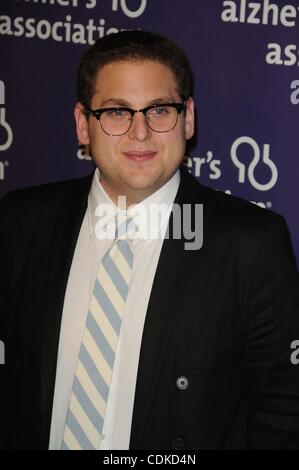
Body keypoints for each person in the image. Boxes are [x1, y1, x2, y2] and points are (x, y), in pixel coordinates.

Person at [0, 30, 299, 451]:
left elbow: (283, 410)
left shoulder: (252, 245)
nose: (140, 132)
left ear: (188, 118)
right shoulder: (20, 222)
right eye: (117, 113)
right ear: (83, 125)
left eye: (160, 110)